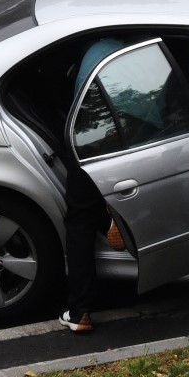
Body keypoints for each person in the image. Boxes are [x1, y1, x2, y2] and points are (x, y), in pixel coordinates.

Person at [58, 37, 128, 334]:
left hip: (91, 142)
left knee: (79, 223)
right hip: (135, 140)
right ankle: (113, 218)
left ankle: (81, 312)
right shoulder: (137, 51)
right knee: (126, 191)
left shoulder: (89, 55)